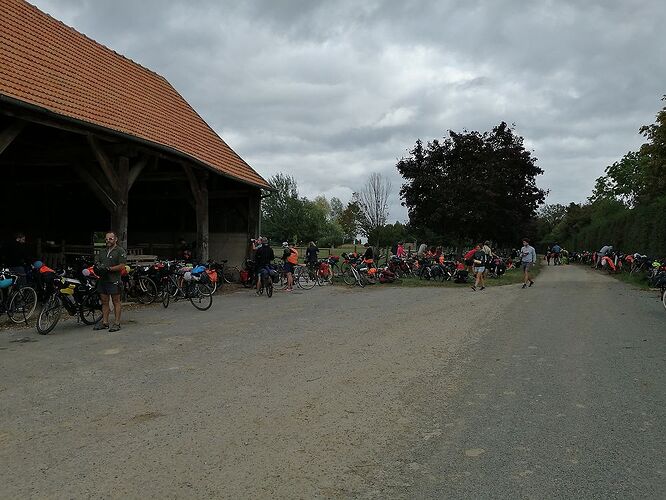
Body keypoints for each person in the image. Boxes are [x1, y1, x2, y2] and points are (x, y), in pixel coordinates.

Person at [94, 231, 127, 332]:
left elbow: (122, 265)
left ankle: (117, 323)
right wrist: (98, 267)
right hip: (103, 280)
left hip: (114, 280)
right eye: (107, 239)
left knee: (116, 301)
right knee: (104, 301)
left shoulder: (120, 251)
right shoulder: (102, 251)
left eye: (110, 239)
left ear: (115, 239)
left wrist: (109, 269)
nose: (108, 240)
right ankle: (105, 322)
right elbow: (97, 261)